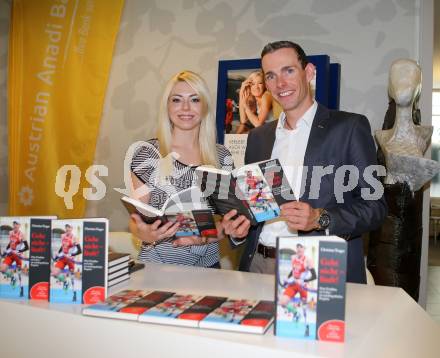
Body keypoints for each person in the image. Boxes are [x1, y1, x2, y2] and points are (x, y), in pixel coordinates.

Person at [236, 41, 387, 283]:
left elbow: (375, 206)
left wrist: (320, 218)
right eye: (271, 76)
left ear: (308, 72)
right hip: (258, 265)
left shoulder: (349, 128)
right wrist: (239, 226)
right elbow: (255, 208)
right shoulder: (257, 137)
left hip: (314, 267)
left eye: (289, 71)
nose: (280, 84)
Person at [129, 70, 250, 268]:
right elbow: (137, 221)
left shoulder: (222, 156)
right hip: (158, 267)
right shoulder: (147, 154)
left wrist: (203, 238)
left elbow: (226, 222)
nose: (185, 107)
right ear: (167, 107)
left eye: (195, 99)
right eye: (176, 100)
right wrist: (144, 232)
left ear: (204, 107)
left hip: (209, 269)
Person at [51, 224, 82, 299]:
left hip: (70, 259)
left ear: (71, 228)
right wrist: (58, 254)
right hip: (63, 258)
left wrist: (71, 254)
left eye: (69, 228)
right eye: (66, 228)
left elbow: (79, 251)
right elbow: (62, 246)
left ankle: (74, 294)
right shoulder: (63, 236)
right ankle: (65, 282)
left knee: (72, 277)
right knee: (54, 273)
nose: (68, 229)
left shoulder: (74, 238)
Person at [0, 221, 29, 294]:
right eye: (14, 224)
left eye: (16, 224)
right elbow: (10, 243)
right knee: (2, 269)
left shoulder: (22, 235)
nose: (15, 225)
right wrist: (6, 251)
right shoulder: (10, 233)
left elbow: (27, 247)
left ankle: (21, 289)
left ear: (19, 225)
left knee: (19, 273)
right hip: (10, 253)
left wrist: (19, 251)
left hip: (18, 255)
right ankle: (13, 278)